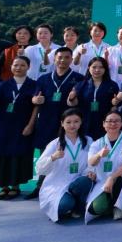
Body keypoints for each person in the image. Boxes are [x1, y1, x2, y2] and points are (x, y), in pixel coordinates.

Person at [29, 47, 84, 199]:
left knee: (68, 154)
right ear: (54, 59)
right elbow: (35, 98)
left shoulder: (79, 79)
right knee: (46, 154)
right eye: (59, 57)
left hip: (69, 124)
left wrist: (73, 98)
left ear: (71, 59)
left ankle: (65, 186)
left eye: (66, 57)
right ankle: (40, 186)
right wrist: (36, 99)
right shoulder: (43, 79)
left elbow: (79, 102)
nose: (62, 60)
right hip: (46, 121)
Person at [0, 55, 37, 198]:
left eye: (22, 65)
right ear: (11, 67)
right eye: (15, 65)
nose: (18, 68)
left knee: (18, 155)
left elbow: (36, 107)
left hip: (21, 125)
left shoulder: (34, 85)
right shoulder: (2, 85)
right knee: (2, 155)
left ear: (28, 67)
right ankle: (4, 186)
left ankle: (15, 186)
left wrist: (30, 125)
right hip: (2, 125)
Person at [34, 107, 92, 222]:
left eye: (76, 121)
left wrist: (90, 172)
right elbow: (39, 168)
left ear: (81, 122)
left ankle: (77, 205)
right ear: (62, 123)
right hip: (58, 184)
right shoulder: (55, 144)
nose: (72, 125)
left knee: (85, 181)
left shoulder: (88, 141)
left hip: (78, 182)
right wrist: (53, 157)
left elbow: (92, 162)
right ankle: (71, 204)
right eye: (68, 122)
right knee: (64, 206)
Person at [84, 111, 122, 222]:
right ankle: (109, 204)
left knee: (120, 180)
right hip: (103, 182)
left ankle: (117, 207)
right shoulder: (97, 143)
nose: (113, 124)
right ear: (104, 124)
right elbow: (91, 163)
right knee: (95, 208)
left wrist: (112, 178)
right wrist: (99, 155)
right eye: (109, 121)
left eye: (116, 121)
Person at [70, 56, 119, 138]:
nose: (97, 70)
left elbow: (115, 106)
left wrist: (115, 103)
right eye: (94, 67)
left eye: (101, 67)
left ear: (105, 69)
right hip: (85, 122)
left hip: (104, 123)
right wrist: (71, 98)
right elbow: (73, 103)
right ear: (89, 68)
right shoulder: (81, 84)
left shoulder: (112, 85)